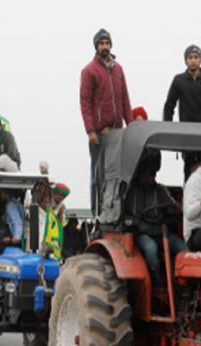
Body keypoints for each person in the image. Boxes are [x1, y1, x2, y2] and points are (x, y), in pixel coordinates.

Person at [80, 28, 134, 213]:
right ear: (96, 46)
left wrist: (132, 127)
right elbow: (85, 102)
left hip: (117, 133)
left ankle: (113, 212)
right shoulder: (89, 71)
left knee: (116, 175)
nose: (105, 46)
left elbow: (125, 99)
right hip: (99, 134)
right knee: (98, 177)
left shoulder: (118, 70)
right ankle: (96, 215)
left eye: (107, 43)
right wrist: (90, 131)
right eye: (101, 43)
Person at [125, 166, 187, 288]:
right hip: (141, 234)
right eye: (146, 176)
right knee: (151, 249)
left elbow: (172, 206)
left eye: (152, 176)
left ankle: (186, 287)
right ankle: (158, 287)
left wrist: (183, 208)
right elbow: (122, 216)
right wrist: (138, 223)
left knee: (184, 249)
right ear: (139, 175)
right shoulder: (129, 192)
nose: (150, 180)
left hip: (160, 232)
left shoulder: (160, 190)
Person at [162, 44, 201, 181]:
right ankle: (189, 200)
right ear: (185, 60)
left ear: (200, 59)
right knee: (190, 173)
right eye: (190, 57)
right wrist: (169, 130)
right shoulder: (179, 80)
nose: (193, 60)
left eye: (196, 57)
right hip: (187, 134)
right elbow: (169, 106)